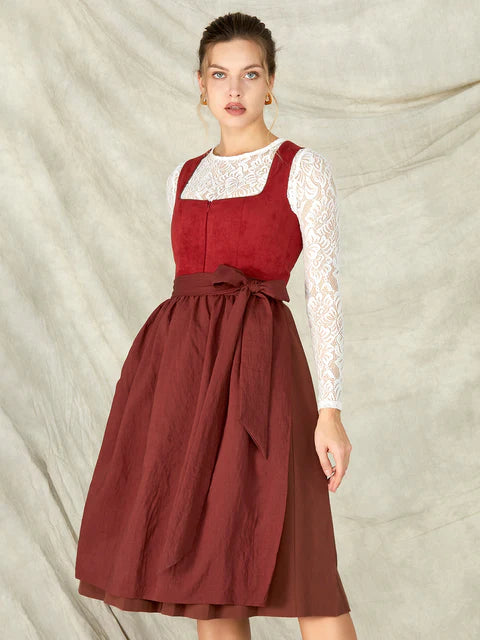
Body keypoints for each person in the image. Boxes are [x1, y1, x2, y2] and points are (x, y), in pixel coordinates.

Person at [75, 11, 357, 640]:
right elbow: (191, 287)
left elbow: (324, 293)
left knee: (307, 566)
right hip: (183, 376)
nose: (235, 90)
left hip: (263, 370)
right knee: (209, 577)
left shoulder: (302, 169)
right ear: (201, 85)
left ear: (271, 84)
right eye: (220, 75)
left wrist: (330, 411)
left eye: (250, 75)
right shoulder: (181, 176)